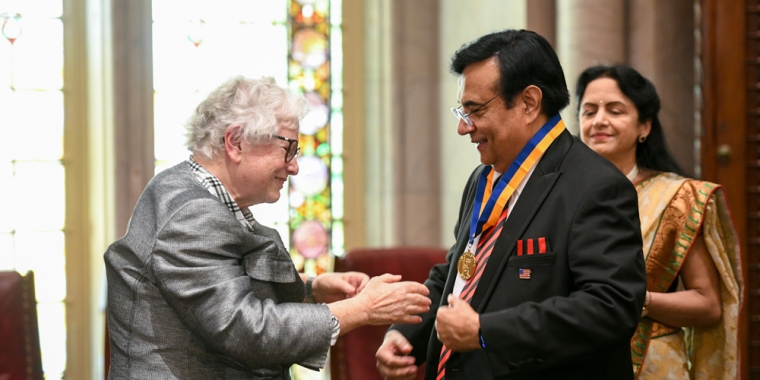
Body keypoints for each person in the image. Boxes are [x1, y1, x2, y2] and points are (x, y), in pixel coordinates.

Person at [104, 76, 431, 379]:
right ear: (235, 142)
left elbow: (221, 280)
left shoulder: (194, 193)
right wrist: (364, 307)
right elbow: (246, 330)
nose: (295, 166)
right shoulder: (192, 214)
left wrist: (312, 287)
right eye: (287, 148)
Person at [375, 29, 647, 380]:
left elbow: (610, 307)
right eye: (462, 110)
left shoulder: (596, 186)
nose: (463, 127)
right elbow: (460, 271)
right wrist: (405, 333)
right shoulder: (484, 178)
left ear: (529, 103)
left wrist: (485, 332)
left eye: (474, 110)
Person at [575, 64, 743, 380]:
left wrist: (635, 300)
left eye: (615, 110)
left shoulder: (677, 198)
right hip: (573, 356)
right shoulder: (558, 194)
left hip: (653, 364)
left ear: (645, 126)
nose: (599, 120)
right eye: (588, 111)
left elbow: (708, 305)